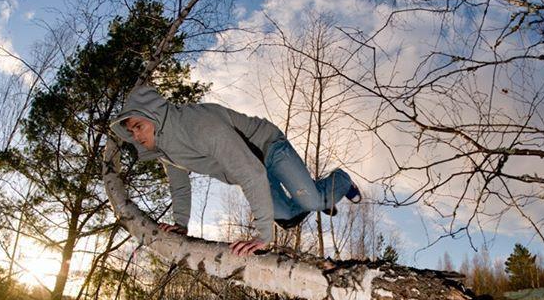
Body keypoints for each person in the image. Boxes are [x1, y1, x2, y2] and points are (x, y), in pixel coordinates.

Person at [110, 85, 361, 256]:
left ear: (153, 115)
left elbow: (251, 174)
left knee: (312, 201)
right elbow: (179, 186)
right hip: (253, 167)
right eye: (131, 132)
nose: (136, 135)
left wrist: (262, 235)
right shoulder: (167, 152)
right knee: (289, 217)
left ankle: (340, 181)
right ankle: (317, 198)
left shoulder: (197, 125)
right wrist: (180, 224)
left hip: (268, 149)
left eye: (139, 126)